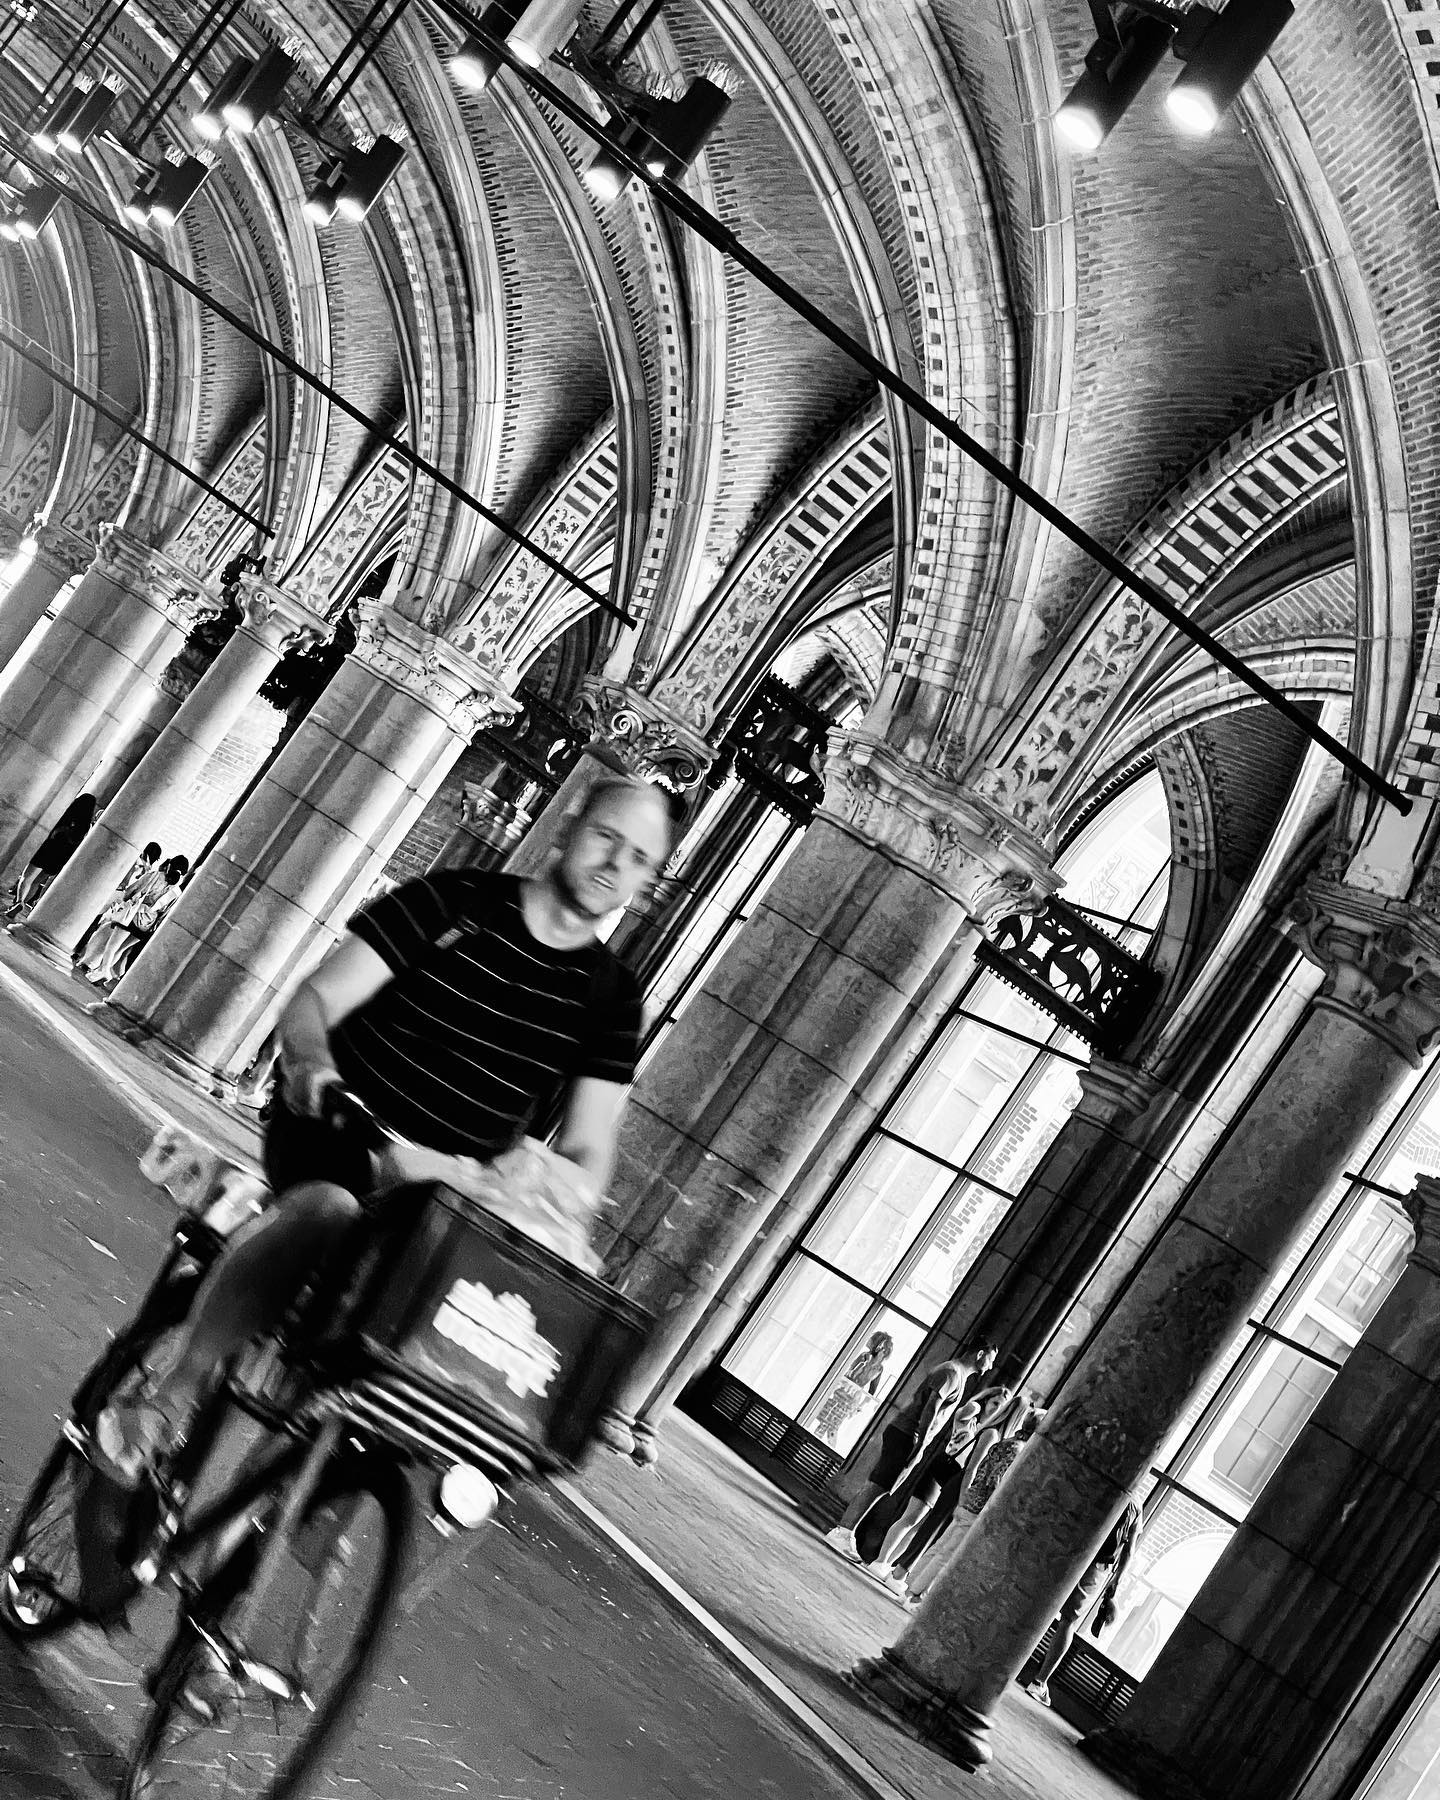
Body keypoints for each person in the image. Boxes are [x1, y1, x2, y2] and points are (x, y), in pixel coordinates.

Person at [91, 776, 673, 1487]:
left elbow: (589, 1148)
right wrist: (309, 1062)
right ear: (570, 827)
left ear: (648, 883)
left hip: (446, 1192)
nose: (616, 863)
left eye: (640, 858)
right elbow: (316, 999)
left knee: (420, 1364)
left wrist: (561, 1186)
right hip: (341, 1129)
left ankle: (262, 1538)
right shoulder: (453, 903)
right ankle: (170, 1395)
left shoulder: (612, 998)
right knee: (327, 1208)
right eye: (607, 836)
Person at [823, 1342, 998, 1559]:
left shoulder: (956, 1373)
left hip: (909, 1436)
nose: (990, 1366)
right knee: (878, 1484)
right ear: (980, 1353)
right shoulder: (952, 1372)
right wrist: (921, 1444)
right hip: (907, 1435)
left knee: (883, 1486)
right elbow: (930, 1408)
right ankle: (843, 1531)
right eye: (990, 1359)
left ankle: (846, 1532)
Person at [864, 1383, 1017, 1585]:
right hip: (942, 1468)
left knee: (920, 1527)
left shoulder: (990, 1431)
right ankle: (880, 1560)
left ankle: (890, 1564)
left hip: (954, 1474)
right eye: (995, 1402)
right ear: (986, 1400)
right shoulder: (970, 1420)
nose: (997, 1408)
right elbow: (963, 1411)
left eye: (1002, 1405)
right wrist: (977, 1406)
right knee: (911, 1517)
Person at [902, 1391, 1045, 1604]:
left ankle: (911, 1584)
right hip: (978, 1507)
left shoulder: (1006, 1442)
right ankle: (917, 1592)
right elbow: (996, 1480)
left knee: (940, 1546)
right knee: (947, 1554)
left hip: (969, 1499)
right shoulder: (1018, 1450)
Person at [1021, 1489, 1144, 1708]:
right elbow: (1128, 1551)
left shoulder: (1103, 1483)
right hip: (1097, 1567)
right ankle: (1039, 1682)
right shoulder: (1135, 1504)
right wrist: (1114, 1585)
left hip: (1069, 1550)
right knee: (1068, 1622)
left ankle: (1014, 1660)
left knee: (1041, 1606)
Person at [78, 854, 188, 986]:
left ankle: (103, 972)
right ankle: (98, 973)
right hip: (147, 925)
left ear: (170, 865)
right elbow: (165, 912)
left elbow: (132, 889)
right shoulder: (176, 892)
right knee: (120, 950)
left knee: (111, 947)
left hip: (132, 916)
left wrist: (125, 900)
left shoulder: (154, 876)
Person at [5, 794, 97, 917]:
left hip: (48, 850)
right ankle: (18, 906)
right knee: (36, 883)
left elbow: (53, 832)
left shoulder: (68, 816)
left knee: (26, 878)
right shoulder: (86, 826)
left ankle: (19, 902)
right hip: (60, 859)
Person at [813, 1331, 894, 1445]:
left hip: (845, 1395)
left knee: (829, 1425)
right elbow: (869, 1389)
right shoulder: (874, 1364)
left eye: (872, 1339)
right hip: (848, 1397)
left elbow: (852, 1374)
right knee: (830, 1425)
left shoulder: (868, 1359)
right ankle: (825, 1453)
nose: (869, 1340)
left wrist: (860, 1405)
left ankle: (821, 1451)